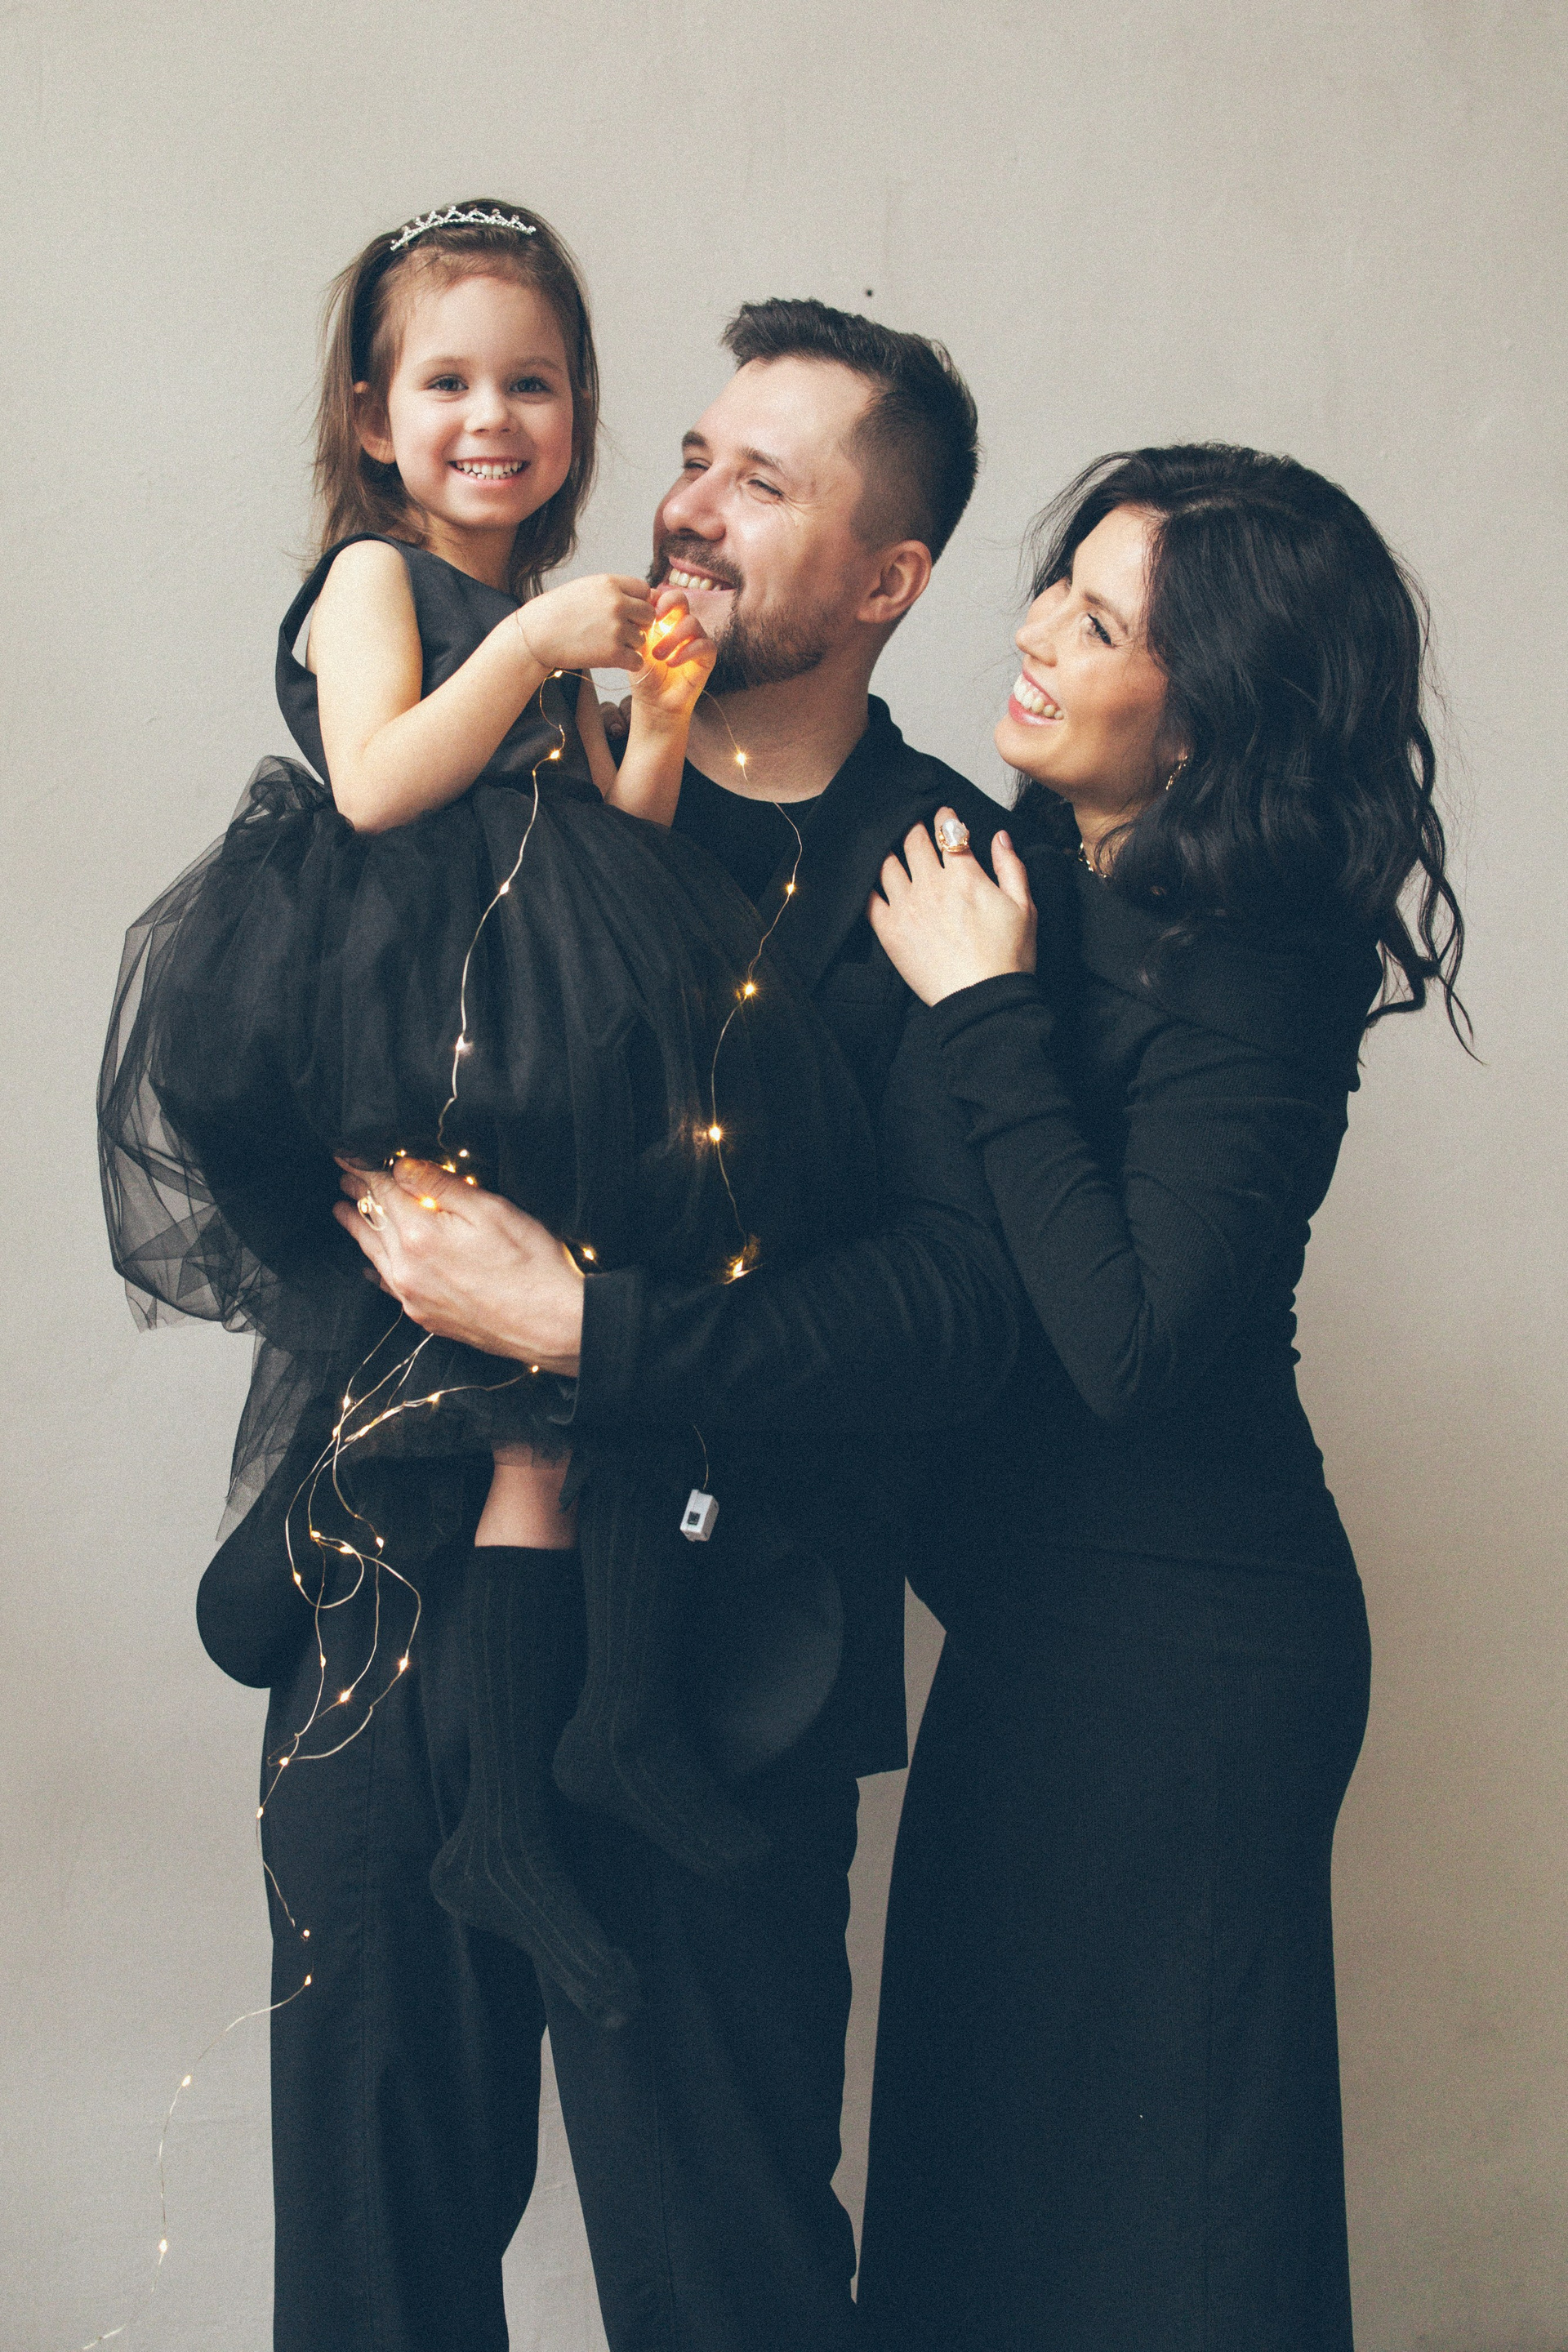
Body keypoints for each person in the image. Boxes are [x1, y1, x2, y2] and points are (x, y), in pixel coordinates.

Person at [133, 281, 1020, 2352]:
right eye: (693, 456)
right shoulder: (508, 759)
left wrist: (587, 1323)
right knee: (373, 2266)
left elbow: (952, 1313)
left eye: (763, 484)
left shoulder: (941, 868)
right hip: (394, 1603)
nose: (688, 508)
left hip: (722, 1668)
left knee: (728, 2285)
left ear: (888, 579)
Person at [848, 446, 1468, 2350]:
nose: (1036, 632)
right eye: (1061, 585)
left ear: (1204, 721)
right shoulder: (1027, 870)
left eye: (1101, 624)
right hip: (1034, 1638)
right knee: (981, 2197)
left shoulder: (1259, 963)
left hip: (1190, 1660)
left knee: (1167, 2243)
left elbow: (1123, 1347)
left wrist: (980, 1008)